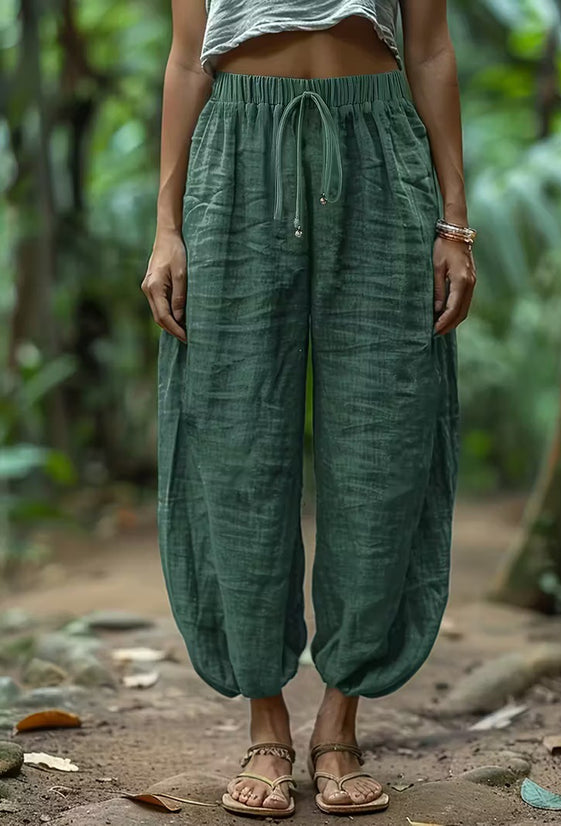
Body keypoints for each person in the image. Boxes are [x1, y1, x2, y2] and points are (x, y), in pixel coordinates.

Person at [142, 0, 476, 818]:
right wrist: (165, 227)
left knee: (383, 433)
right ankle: (264, 721)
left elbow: (429, 48)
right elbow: (189, 57)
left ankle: (339, 719)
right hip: (235, 156)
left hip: (379, 148)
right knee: (234, 434)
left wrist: (455, 224)